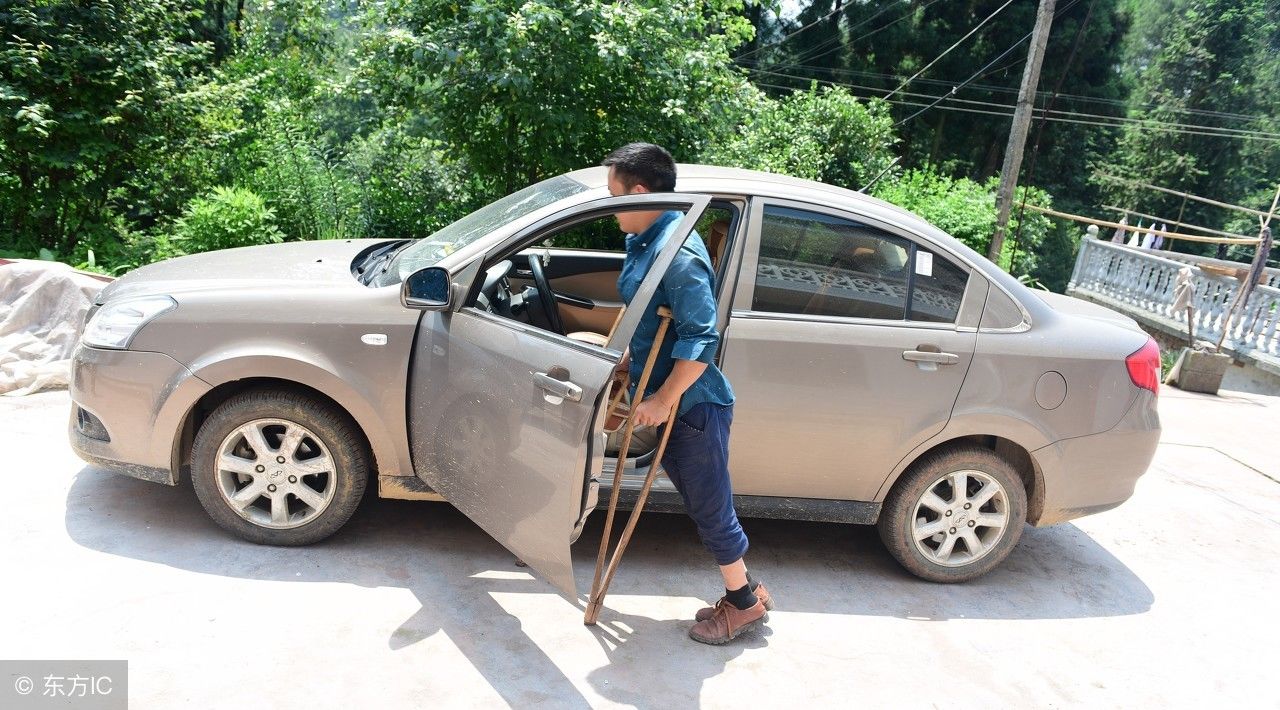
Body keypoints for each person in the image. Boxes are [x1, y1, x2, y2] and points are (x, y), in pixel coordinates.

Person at [602, 143, 772, 645]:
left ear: (640, 191)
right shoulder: (646, 237)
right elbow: (656, 321)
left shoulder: (678, 255)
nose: (611, 209)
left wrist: (661, 400)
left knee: (708, 506)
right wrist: (632, 362)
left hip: (694, 406)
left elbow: (701, 339)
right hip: (673, 398)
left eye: (616, 198)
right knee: (705, 501)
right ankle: (752, 588)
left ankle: (743, 606)